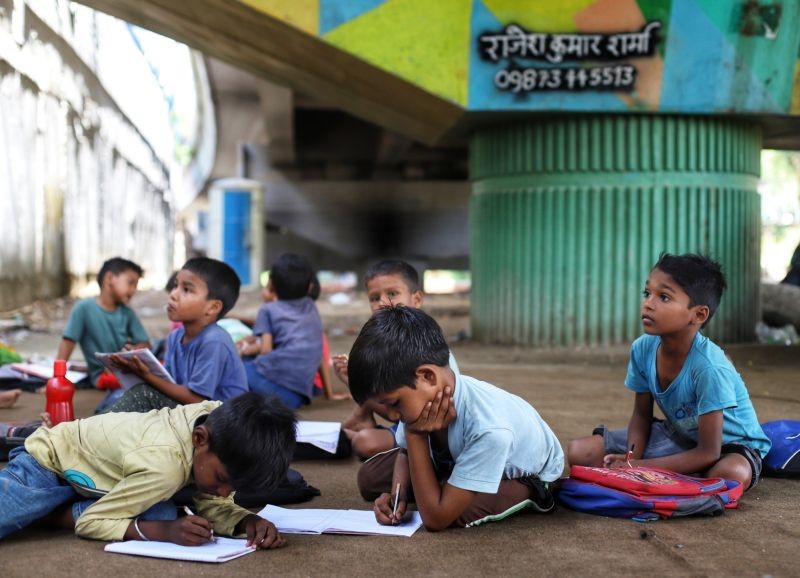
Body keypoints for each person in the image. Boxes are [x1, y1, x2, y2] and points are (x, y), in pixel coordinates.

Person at [566, 253, 771, 491]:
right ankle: (677, 474)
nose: (648, 303)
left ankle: (669, 472)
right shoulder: (643, 349)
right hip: (680, 435)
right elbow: (641, 417)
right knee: (581, 452)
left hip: (730, 447)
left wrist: (638, 468)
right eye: (647, 293)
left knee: (730, 475)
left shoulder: (709, 367)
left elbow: (709, 451)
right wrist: (631, 459)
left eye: (663, 297)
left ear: (698, 315)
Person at [348, 306, 564, 531]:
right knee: (369, 479)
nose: (392, 415)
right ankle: (446, 483)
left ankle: (529, 493)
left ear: (428, 376)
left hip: (524, 475)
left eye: (393, 404)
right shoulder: (421, 397)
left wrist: (415, 435)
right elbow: (404, 452)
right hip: (456, 457)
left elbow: (435, 520)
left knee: (450, 513)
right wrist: (397, 495)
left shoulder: (489, 430)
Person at [0, 392, 294, 547]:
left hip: (100, 478)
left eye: (233, 489)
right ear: (199, 439)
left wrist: (245, 521)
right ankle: (47, 511)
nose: (224, 493)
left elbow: (213, 500)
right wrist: (166, 533)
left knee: (164, 513)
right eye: (221, 480)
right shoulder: (165, 467)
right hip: (47, 462)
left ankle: (46, 511)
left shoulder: (216, 419)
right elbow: (92, 523)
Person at [104, 257, 248, 413]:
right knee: (120, 395)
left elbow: (197, 400)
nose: (173, 294)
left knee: (143, 396)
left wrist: (146, 375)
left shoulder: (214, 341)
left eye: (187, 289)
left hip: (223, 420)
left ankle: (86, 434)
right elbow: (169, 383)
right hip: (191, 411)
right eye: (175, 286)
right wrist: (137, 366)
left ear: (213, 307)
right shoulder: (175, 337)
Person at [334, 260, 429, 461]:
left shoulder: (418, 343)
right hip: (405, 423)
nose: (383, 303)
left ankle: (352, 431)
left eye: (392, 294)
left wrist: (353, 383)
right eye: (375, 298)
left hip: (425, 431)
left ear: (417, 299)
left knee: (364, 443)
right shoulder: (384, 340)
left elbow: (396, 414)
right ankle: (360, 422)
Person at [56, 257, 150, 411]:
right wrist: (57, 378)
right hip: (103, 375)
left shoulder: (127, 313)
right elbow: (68, 342)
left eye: (136, 285)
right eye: (131, 283)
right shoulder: (83, 308)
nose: (133, 290)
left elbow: (144, 342)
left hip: (124, 368)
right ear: (109, 278)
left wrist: (131, 352)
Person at [239, 253, 323, 409]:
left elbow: (265, 349)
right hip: (297, 397)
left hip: (272, 388)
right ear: (310, 286)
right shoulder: (311, 305)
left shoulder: (268, 309)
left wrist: (242, 351)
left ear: (271, 285)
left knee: (238, 365)